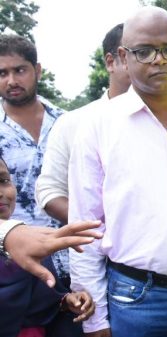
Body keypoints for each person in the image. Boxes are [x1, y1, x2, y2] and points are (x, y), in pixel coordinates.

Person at [68, 7, 167, 337]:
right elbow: (85, 227)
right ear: (121, 57)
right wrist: (94, 320)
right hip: (134, 299)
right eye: (145, 51)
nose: (160, 60)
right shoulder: (97, 125)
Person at [0, 157, 95, 337]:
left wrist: (66, 301)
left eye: (4, 180)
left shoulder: (34, 243)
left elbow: (43, 300)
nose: (0, 192)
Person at [36, 23, 130, 226]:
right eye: (138, 54)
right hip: (95, 250)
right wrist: (101, 227)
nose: (152, 62)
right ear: (111, 62)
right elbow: (50, 191)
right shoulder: (74, 123)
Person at [0, 34, 68, 280]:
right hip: (15, 263)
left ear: (37, 70)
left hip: (75, 255)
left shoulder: (67, 122)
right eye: (2, 73)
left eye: (20, 70)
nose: (11, 81)